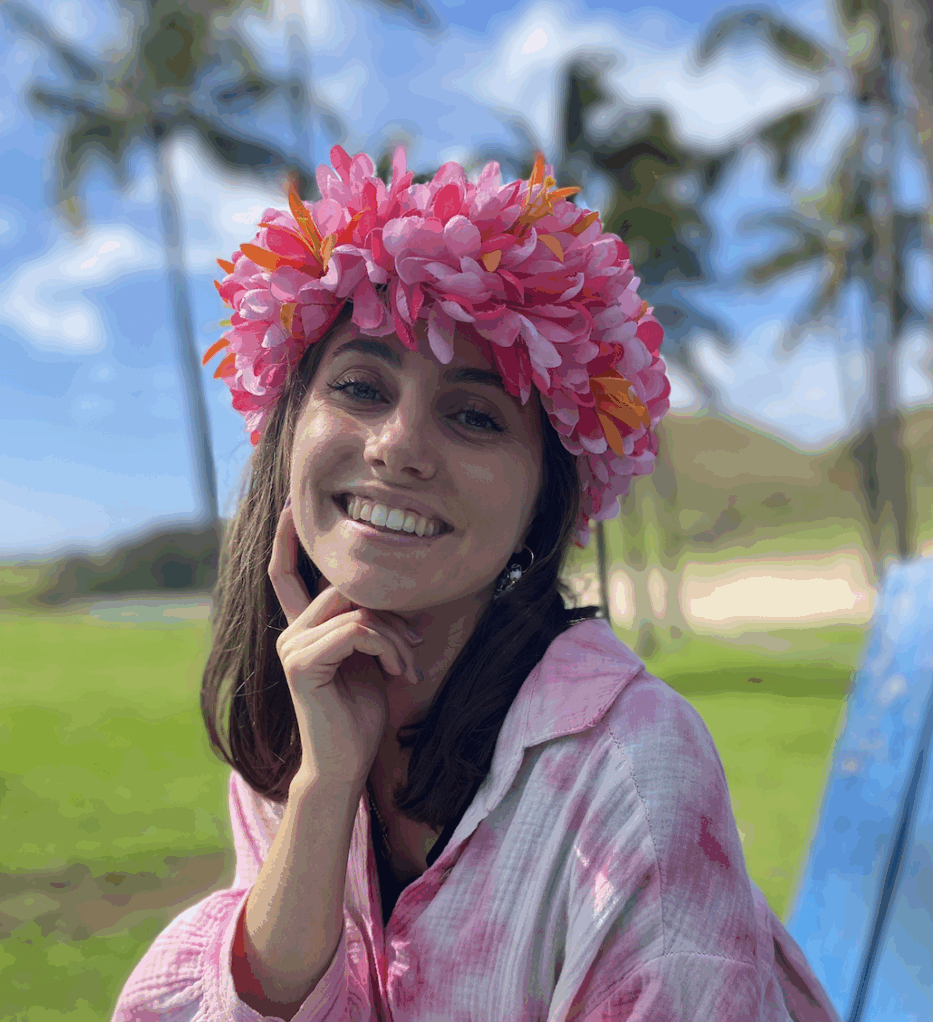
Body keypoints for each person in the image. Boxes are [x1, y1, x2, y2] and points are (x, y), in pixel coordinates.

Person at [111, 147, 840, 1021]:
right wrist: (322, 789)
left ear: (543, 508)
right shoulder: (301, 721)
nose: (399, 446)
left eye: (473, 415)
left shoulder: (634, 773)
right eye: (358, 386)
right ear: (289, 435)